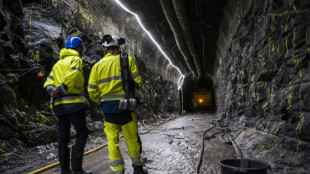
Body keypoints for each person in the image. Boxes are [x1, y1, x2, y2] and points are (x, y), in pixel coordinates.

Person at [88, 35, 147, 174]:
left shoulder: (97, 66)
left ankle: (118, 170)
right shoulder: (127, 60)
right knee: (131, 138)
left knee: (112, 140)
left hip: (108, 108)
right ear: (117, 48)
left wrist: (99, 102)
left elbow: (91, 89)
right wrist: (136, 96)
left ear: (104, 49)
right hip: (126, 106)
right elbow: (138, 81)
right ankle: (138, 168)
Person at [43, 37, 92, 174]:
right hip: (74, 104)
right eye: (81, 48)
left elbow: (48, 82)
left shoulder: (57, 64)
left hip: (59, 106)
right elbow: (74, 75)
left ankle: (65, 172)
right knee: (82, 134)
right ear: (79, 48)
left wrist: (51, 90)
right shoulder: (76, 59)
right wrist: (61, 89)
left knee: (63, 137)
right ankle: (77, 170)